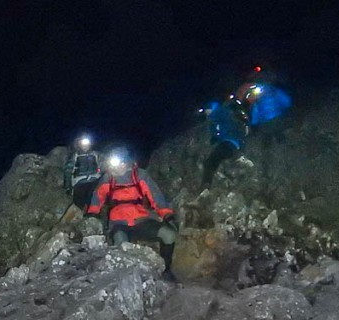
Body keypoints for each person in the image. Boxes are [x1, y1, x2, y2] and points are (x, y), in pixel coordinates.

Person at [85, 148, 179, 282]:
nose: (113, 168)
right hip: (119, 222)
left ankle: (166, 270)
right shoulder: (108, 179)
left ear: (124, 163)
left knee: (169, 235)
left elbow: (155, 196)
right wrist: (92, 214)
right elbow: (97, 197)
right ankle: (127, 281)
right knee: (121, 243)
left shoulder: (140, 175)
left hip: (141, 219)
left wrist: (167, 214)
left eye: (117, 164)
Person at [202, 97, 249, 188]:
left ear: (212, 109)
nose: (207, 114)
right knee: (215, 159)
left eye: (208, 111)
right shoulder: (215, 120)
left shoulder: (220, 113)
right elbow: (220, 131)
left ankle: (206, 185)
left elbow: (230, 128)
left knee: (211, 161)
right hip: (230, 143)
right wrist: (215, 138)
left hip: (231, 142)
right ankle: (218, 180)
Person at [63, 134, 103, 209]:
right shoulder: (75, 156)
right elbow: (68, 171)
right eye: (83, 144)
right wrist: (68, 186)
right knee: (79, 201)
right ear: (79, 145)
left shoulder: (95, 155)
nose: (85, 146)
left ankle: (92, 215)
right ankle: (78, 215)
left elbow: (102, 167)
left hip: (94, 180)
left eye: (87, 144)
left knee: (94, 198)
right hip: (79, 181)